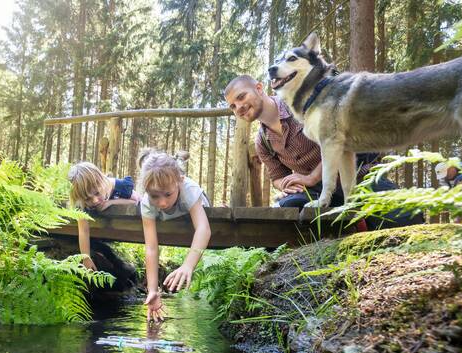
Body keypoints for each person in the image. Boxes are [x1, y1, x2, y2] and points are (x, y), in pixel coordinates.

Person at [224, 74, 342, 208]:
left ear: (259, 88)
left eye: (241, 97)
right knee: (284, 206)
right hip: (320, 194)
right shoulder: (262, 142)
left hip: (358, 176)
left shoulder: (301, 103)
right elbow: (277, 177)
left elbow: (339, 141)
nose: (238, 108)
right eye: (233, 106)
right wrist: (287, 185)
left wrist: (312, 177)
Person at [139, 149, 211, 322]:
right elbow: (151, 247)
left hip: (198, 210)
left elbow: (203, 228)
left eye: (168, 194)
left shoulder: (188, 189)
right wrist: (152, 290)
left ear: (179, 181)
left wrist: (188, 265)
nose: (162, 202)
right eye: (155, 196)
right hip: (170, 219)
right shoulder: (147, 203)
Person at [68, 162, 140, 270]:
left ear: (102, 181)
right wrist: (86, 258)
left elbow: (137, 200)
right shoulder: (81, 202)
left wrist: (110, 203)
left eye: (97, 193)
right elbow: (83, 230)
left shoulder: (119, 186)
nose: (95, 200)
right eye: (88, 199)